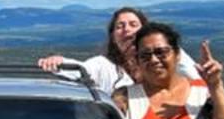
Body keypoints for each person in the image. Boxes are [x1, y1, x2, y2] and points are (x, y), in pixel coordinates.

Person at [39, 5, 198, 94]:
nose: (126, 30)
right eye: (119, 26)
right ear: (113, 36)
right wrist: (59, 62)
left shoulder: (161, 60)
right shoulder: (104, 66)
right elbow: (83, 70)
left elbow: (194, 76)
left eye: (133, 25)